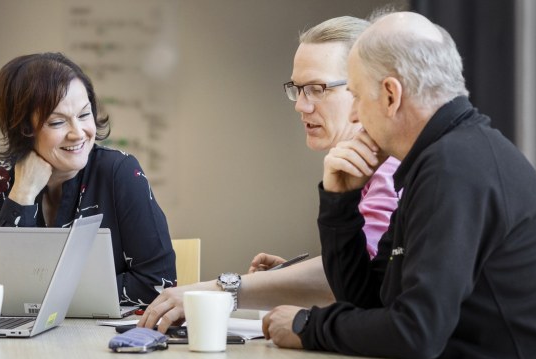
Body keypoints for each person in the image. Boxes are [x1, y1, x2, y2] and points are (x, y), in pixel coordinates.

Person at [261, 12, 536, 359]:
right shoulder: (439, 158)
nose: (353, 114)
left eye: (359, 97)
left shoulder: (454, 165)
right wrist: (339, 203)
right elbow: (367, 303)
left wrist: (308, 326)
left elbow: (416, 332)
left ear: (391, 95)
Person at [138, 16, 400, 332]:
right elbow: (353, 278)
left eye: (317, 89)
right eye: (298, 89)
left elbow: (368, 272)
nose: (301, 106)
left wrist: (223, 290)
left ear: (363, 88)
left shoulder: (387, 165)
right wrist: (287, 279)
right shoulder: (362, 160)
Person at [0, 52, 176, 306]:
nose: (79, 133)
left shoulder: (120, 172)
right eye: (58, 122)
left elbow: (158, 283)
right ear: (24, 129)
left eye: (84, 115)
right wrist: (22, 194)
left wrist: (47, 293)